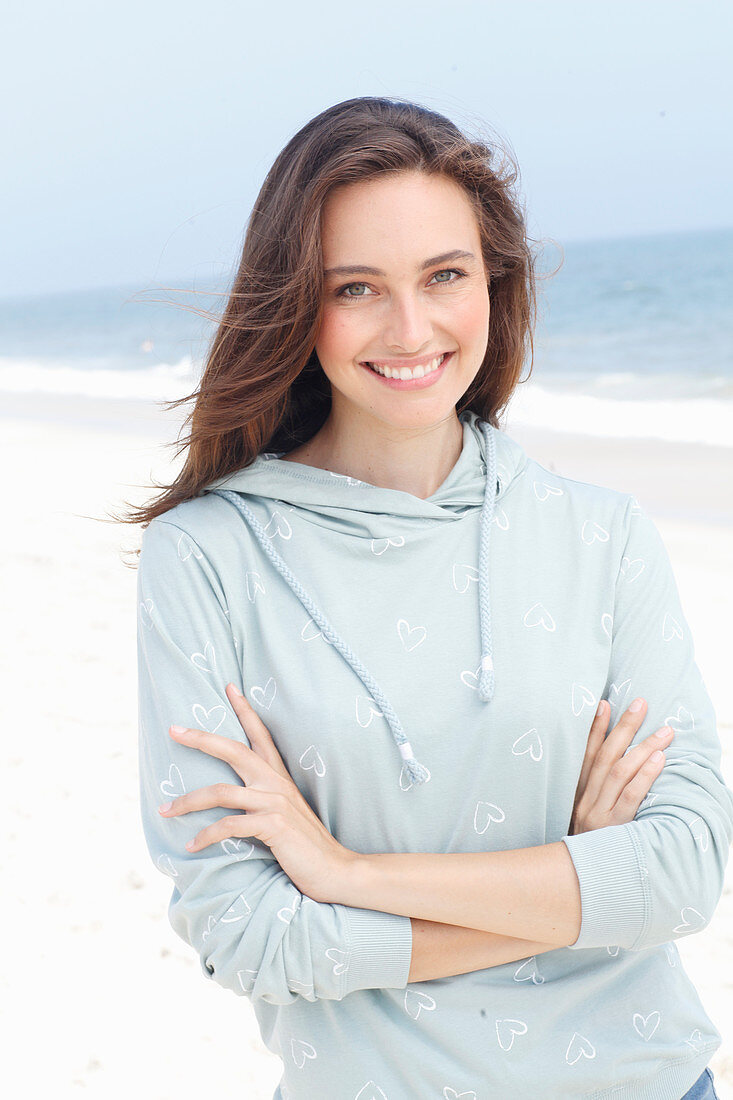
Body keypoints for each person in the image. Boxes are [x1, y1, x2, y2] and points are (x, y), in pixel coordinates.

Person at [127, 97, 731, 1099]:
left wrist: (348, 876)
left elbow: (680, 873)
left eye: (443, 275)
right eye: (356, 286)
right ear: (295, 301)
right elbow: (248, 934)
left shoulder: (601, 534)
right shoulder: (206, 558)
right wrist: (575, 881)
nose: (412, 328)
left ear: (494, 281)